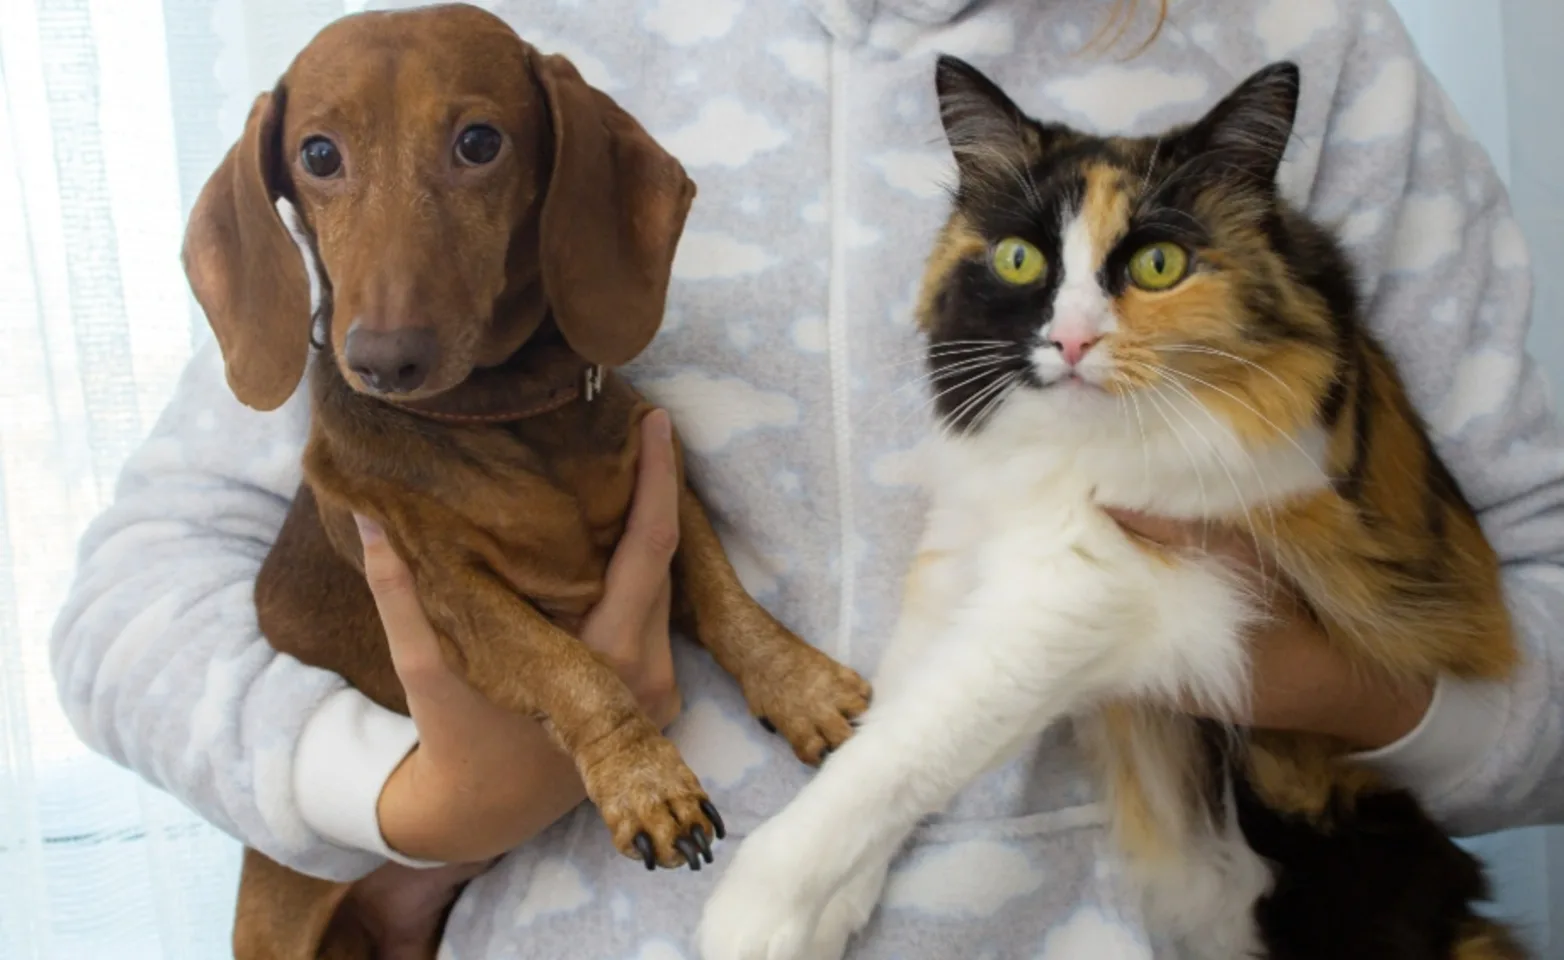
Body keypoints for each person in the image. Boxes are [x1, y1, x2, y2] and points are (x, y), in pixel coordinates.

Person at [50, 0, 1564, 955]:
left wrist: (1319, 678)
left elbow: (1543, 650)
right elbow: (131, 603)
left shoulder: (1313, 45)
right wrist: (403, 796)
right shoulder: (480, 58)